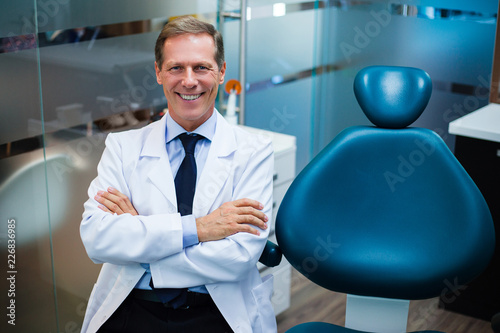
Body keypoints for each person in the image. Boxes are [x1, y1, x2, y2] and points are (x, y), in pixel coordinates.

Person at [80, 16, 277, 333]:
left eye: (201, 67)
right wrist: (199, 229)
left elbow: (239, 255)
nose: (189, 81)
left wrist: (141, 246)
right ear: (158, 73)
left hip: (217, 310)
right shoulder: (123, 147)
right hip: (133, 305)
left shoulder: (254, 151)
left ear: (221, 72)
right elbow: (97, 240)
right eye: (176, 68)